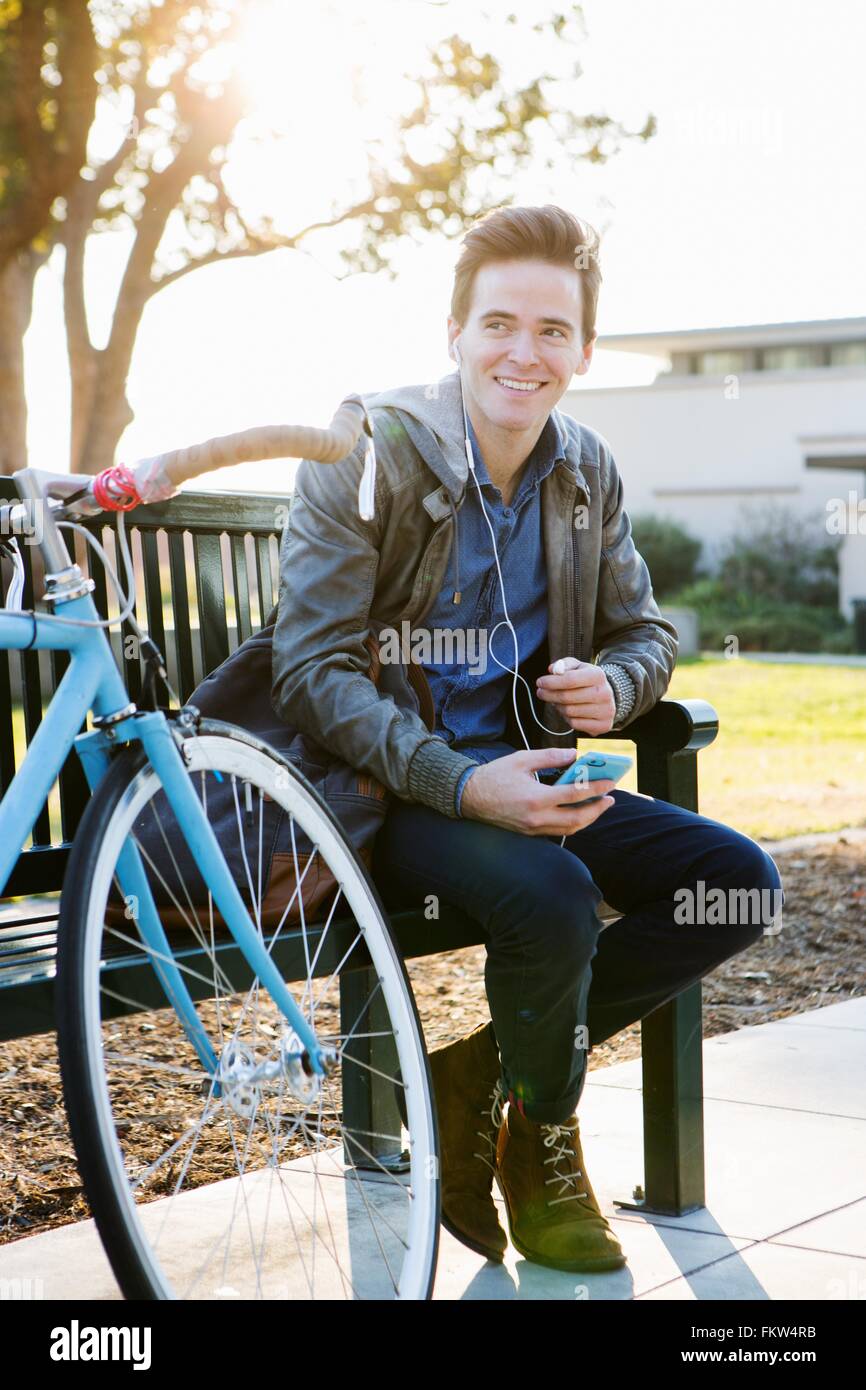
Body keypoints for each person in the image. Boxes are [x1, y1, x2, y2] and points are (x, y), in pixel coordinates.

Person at [271, 203, 784, 1274]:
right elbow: (311, 670)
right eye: (498, 324)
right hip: (393, 791)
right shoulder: (366, 450)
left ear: (584, 349)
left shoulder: (584, 468)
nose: (523, 351)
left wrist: (615, 680)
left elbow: (645, 632)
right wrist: (464, 785)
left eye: (552, 331)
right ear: (453, 334)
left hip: (539, 775)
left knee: (734, 880)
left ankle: (477, 1076)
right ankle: (545, 1141)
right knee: (551, 898)